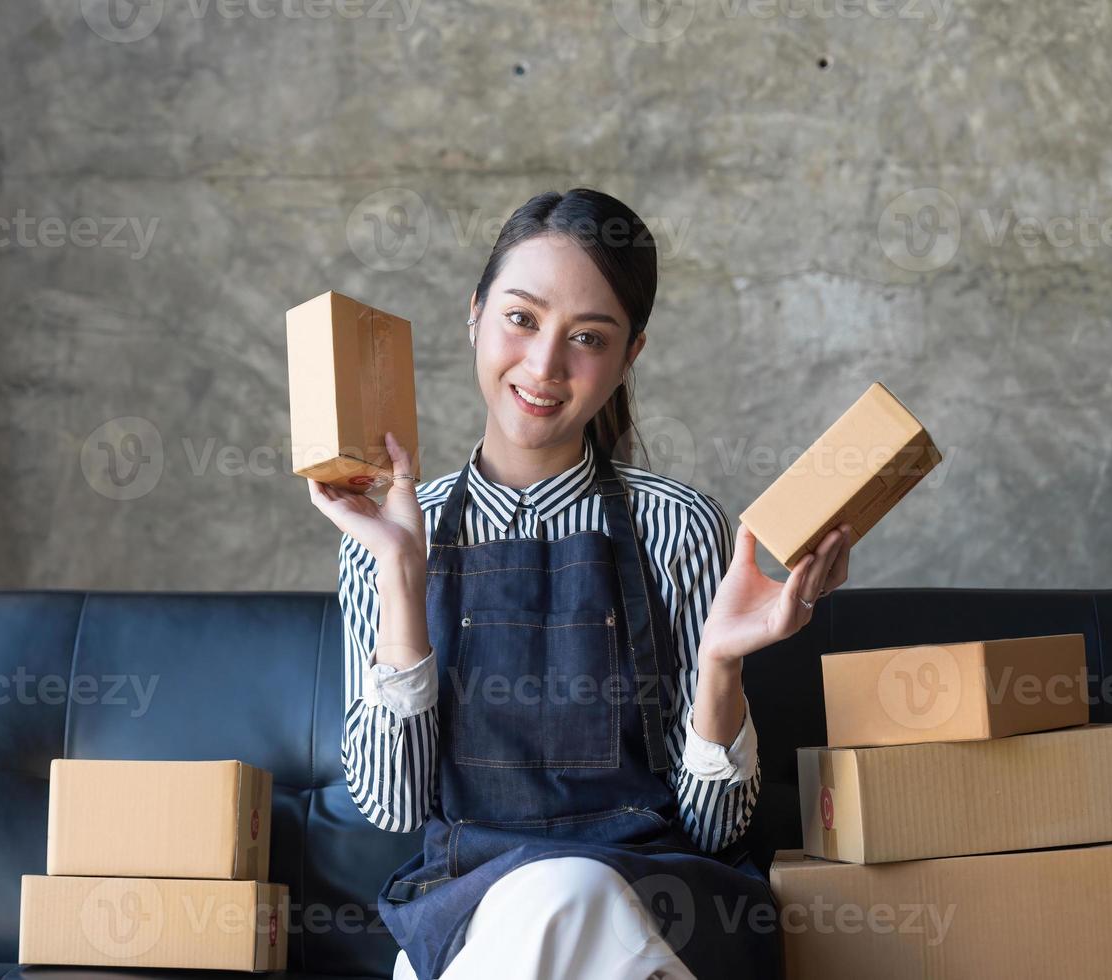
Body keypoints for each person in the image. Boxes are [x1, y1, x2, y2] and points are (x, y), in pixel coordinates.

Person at [307, 188, 852, 980]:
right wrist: (401, 572)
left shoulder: (680, 527)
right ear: (475, 315)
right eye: (521, 319)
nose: (544, 365)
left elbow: (715, 826)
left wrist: (721, 665)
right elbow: (391, 805)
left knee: (572, 890)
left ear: (629, 355)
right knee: (552, 901)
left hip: (653, 900)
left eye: (587, 337)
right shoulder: (387, 533)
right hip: (469, 907)